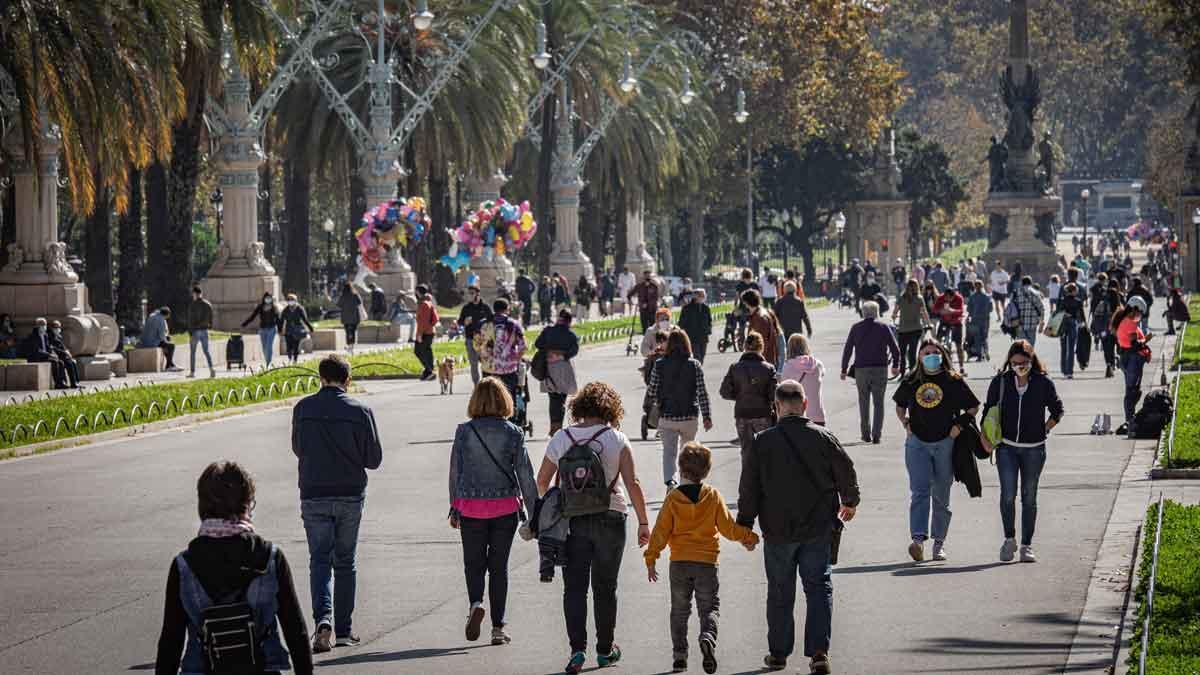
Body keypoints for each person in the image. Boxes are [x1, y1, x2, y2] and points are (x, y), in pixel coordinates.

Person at [736, 380, 860, 675]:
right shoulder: (824, 437)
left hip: (778, 531)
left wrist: (744, 525)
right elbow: (846, 470)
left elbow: (749, 488)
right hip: (818, 528)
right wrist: (851, 501)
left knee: (780, 591)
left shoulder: (762, 442)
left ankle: (778, 653)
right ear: (805, 404)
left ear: (776, 407)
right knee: (818, 588)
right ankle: (819, 653)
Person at [535, 382, 652, 675]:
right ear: (610, 409)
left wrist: (551, 507)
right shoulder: (617, 438)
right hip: (611, 516)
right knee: (605, 586)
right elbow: (633, 483)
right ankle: (604, 650)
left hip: (572, 520)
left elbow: (541, 481)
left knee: (574, 587)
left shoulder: (562, 437)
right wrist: (643, 522)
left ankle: (577, 651)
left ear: (579, 407)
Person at [154, 461, 313, 675]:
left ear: (203, 506)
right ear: (246, 504)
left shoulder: (184, 566)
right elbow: (296, 632)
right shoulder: (271, 558)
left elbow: (170, 641)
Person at [291, 355, 382, 653]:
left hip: (314, 492)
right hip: (349, 493)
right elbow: (374, 460)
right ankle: (343, 630)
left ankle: (323, 621)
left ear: (320, 378)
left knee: (319, 560)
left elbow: (298, 448)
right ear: (348, 380)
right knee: (345, 562)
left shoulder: (303, 408)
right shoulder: (361, 410)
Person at [644, 442, 759, 674]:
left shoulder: (673, 498)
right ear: (706, 471)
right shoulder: (712, 495)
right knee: (709, 608)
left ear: (680, 468)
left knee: (679, 610)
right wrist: (748, 537)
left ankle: (679, 657)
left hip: (679, 563)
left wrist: (651, 557)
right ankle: (707, 636)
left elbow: (660, 532)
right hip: (707, 563)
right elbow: (728, 528)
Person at [448, 377, 539, 645]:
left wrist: (454, 507)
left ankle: (476, 603)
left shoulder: (464, 431)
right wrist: (534, 514)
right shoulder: (513, 432)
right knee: (499, 567)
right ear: (504, 401)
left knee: (473, 564)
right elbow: (525, 474)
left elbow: (456, 472)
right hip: (504, 509)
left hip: (471, 507)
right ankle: (498, 628)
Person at [893, 339, 980, 562]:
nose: (931, 355)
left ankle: (939, 543)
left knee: (941, 494)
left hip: (945, 443)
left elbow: (973, 406)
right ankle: (918, 541)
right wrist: (905, 424)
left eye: (935, 352)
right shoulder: (912, 380)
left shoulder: (952, 380)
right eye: (926, 352)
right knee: (920, 491)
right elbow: (900, 405)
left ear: (942, 355)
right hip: (917, 443)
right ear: (919, 357)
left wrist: (959, 426)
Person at [979, 340, 1063, 564]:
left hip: (1034, 449)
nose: (1019, 367)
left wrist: (1044, 428)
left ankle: (1027, 544)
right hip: (1006, 447)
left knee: (1029, 496)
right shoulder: (1001, 382)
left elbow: (1058, 410)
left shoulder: (1043, 383)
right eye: (1015, 363)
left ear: (1031, 360)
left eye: (1024, 363)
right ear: (1009, 362)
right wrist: (985, 437)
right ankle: (1009, 539)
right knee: (1007, 495)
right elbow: (988, 410)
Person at [646, 329, 713, 488]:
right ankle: (686, 484)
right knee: (688, 454)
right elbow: (702, 392)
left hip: (667, 416)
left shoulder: (659, 364)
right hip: (689, 416)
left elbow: (651, 391)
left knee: (669, 453)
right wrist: (707, 416)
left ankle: (671, 483)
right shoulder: (694, 364)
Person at [840, 301, 901, 444]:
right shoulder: (883, 327)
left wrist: (844, 369)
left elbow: (848, 350)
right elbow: (895, 349)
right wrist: (896, 366)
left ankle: (865, 433)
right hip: (880, 368)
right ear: (877, 312)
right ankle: (877, 434)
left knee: (863, 401)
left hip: (861, 369)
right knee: (879, 403)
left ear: (863, 313)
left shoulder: (856, 328)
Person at [720, 331, 777, 464]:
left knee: (746, 451)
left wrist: (739, 395)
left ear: (745, 347)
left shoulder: (735, 368)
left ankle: (748, 480)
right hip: (763, 413)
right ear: (761, 347)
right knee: (765, 451)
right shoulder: (769, 369)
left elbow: (724, 392)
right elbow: (773, 394)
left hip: (742, 413)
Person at [534, 309, 580, 436]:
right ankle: (558, 426)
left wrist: (549, 351)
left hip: (549, 367)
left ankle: (554, 426)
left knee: (553, 398)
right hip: (564, 368)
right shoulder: (571, 335)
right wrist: (561, 355)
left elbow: (538, 344)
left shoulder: (548, 331)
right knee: (561, 399)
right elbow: (574, 351)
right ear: (569, 321)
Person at [1114, 296, 1153, 436]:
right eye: (1140, 312)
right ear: (1134, 309)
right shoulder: (1130, 323)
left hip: (1127, 359)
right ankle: (1130, 422)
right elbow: (1135, 345)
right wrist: (1146, 339)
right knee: (1132, 392)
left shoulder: (1124, 320)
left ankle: (1130, 420)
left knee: (1131, 391)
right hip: (1132, 360)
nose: (1140, 316)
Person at [477, 298, 527, 400]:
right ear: (507, 309)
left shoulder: (483, 324)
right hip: (508, 369)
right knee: (508, 398)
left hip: (488, 368)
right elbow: (523, 347)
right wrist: (516, 359)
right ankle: (509, 415)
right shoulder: (514, 324)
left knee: (489, 398)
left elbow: (477, 345)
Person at [781, 334, 827, 426]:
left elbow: (783, 389)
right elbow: (822, 375)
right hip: (817, 415)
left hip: (796, 416)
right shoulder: (818, 364)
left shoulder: (787, 367)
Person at [458, 286, 494, 385]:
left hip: (483, 340)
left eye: (472, 293)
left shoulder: (485, 307)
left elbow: (491, 320)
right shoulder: (466, 308)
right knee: (473, 364)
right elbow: (460, 321)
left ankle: (486, 383)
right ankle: (477, 385)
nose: (469, 295)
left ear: (478, 294)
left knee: (485, 362)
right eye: (468, 293)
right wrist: (464, 322)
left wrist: (485, 326)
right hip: (470, 339)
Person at [892, 279, 930, 372]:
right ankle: (912, 373)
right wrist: (929, 323)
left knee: (902, 352)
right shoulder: (919, 298)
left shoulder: (901, 298)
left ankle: (902, 373)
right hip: (916, 329)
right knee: (912, 353)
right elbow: (924, 313)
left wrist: (894, 319)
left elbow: (895, 312)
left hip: (903, 330)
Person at [22, 318, 69, 388]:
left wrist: (52, 354)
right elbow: (37, 350)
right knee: (54, 362)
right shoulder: (33, 336)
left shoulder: (45, 335)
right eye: (42, 325)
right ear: (37, 326)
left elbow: (48, 347)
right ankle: (57, 383)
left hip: (45, 356)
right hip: (36, 357)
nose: (44, 327)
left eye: (45, 325)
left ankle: (62, 382)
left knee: (60, 362)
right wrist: (49, 355)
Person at [932, 285, 967, 370]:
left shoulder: (959, 298)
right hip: (945, 322)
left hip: (956, 322)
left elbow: (961, 311)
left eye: (949, 298)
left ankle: (961, 366)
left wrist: (953, 311)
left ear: (953, 296)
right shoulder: (941, 298)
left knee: (959, 345)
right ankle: (938, 364)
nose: (947, 300)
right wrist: (940, 310)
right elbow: (934, 309)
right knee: (938, 342)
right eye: (946, 298)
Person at [242, 293, 281, 367]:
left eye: (269, 298)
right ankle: (267, 360)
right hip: (262, 329)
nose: (268, 299)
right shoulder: (260, 307)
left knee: (269, 346)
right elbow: (253, 316)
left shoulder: (274, 308)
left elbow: (278, 320)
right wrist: (245, 324)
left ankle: (268, 363)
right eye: (266, 298)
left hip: (271, 329)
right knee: (264, 347)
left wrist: (280, 330)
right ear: (264, 299)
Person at [1057, 283, 1085, 379]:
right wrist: (1083, 324)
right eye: (1076, 290)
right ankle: (1069, 372)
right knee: (1071, 348)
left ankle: (1064, 369)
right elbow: (1081, 314)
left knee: (1064, 348)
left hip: (1063, 325)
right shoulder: (1078, 301)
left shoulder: (1062, 301)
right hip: (1073, 324)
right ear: (1073, 291)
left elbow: (1058, 312)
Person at [678, 288, 713, 363]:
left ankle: (697, 369)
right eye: (701, 295)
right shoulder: (687, 308)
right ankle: (697, 372)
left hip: (703, 336)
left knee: (702, 355)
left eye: (704, 295)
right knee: (697, 356)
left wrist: (709, 329)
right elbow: (682, 322)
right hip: (692, 336)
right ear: (695, 296)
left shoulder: (706, 308)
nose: (704, 297)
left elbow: (709, 320)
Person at [187, 285, 216, 379]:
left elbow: (190, 319)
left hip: (195, 331)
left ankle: (192, 372)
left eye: (193, 294)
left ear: (195, 294)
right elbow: (211, 317)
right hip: (204, 330)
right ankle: (211, 369)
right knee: (206, 351)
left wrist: (190, 332)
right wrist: (209, 326)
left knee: (193, 352)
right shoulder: (208, 304)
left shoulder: (193, 305)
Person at [279, 294, 314, 364]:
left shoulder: (300, 309)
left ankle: (295, 360)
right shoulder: (285, 310)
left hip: (297, 330)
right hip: (288, 330)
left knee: (295, 346)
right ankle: (289, 358)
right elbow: (281, 320)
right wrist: (280, 329)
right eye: (289, 300)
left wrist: (310, 328)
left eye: (292, 300)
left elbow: (305, 319)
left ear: (295, 301)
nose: (290, 301)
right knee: (289, 346)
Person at [1012, 276, 1046, 346]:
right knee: (1030, 348)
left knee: (1020, 348)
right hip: (1032, 325)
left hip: (1019, 325)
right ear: (1031, 283)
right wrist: (1041, 323)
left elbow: (1011, 309)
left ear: (1022, 283)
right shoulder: (1036, 293)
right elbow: (1041, 309)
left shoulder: (1015, 293)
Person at [46, 320, 81, 387]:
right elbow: (53, 348)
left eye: (59, 327)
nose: (58, 329)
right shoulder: (50, 337)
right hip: (58, 355)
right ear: (52, 328)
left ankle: (76, 381)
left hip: (63, 355)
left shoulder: (58, 336)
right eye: (56, 327)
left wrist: (67, 351)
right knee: (69, 363)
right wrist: (64, 352)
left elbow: (63, 346)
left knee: (73, 362)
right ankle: (72, 383)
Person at [966, 280, 992, 362]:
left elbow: (968, 309)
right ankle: (986, 351)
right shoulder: (987, 297)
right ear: (982, 286)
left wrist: (970, 316)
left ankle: (980, 355)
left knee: (977, 337)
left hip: (975, 320)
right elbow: (991, 308)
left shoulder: (972, 297)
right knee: (984, 337)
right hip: (985, 320)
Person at [415, 291, 439, 381]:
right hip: (429, 332)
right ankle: (428, 371)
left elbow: (423, 321)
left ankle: (429, 371)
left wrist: (420, 334)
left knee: (418, 351)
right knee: (427, 351)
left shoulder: (424, 304)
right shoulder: (430, 303)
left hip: (424, 332)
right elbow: (434, 319)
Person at [338, 283, 364, 355]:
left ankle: (349, 346)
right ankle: (351, 347)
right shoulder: (355, 295)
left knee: (348, 332)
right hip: (354, 317)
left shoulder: (343, 296)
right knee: (353, 332)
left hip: (346, 318)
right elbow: (360, 303)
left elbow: (339, 304)